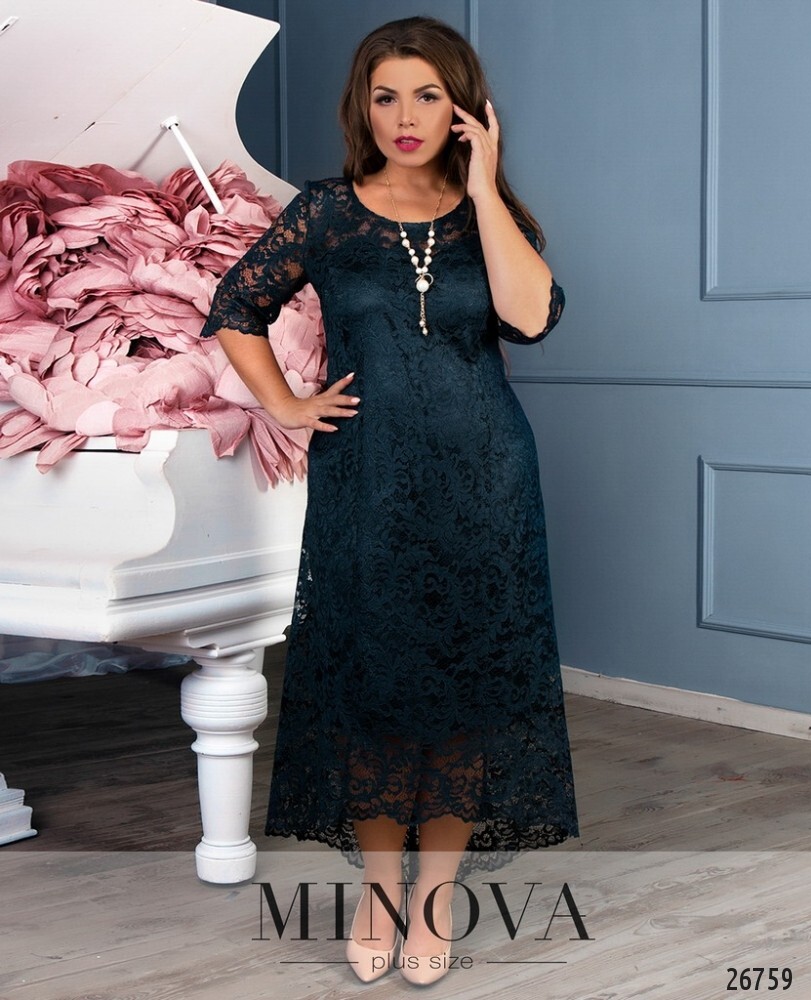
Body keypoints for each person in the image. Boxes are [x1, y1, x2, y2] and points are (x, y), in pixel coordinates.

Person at [200, 15, 579, 986]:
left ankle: (435, 895)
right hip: (366, 484)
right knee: (374, 691)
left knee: (462, 694)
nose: (405, 116)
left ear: (463, 108)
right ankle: (378, 890)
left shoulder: (491, 215)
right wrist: (286, 404)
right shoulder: (328, 213)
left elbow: (530, 316)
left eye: (426, 95)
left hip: (486, 483)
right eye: (385, 96)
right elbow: (237, 306)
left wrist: (484, 187)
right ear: (360, 108)